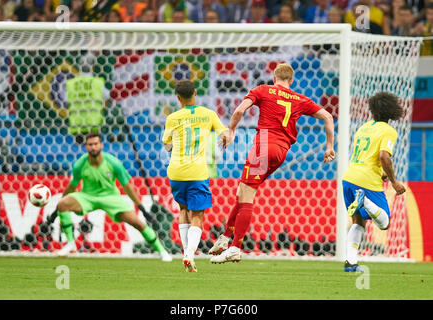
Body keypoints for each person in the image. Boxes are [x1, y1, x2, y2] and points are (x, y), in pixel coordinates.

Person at [209, 63, 335, 263]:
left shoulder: (263, 90)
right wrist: (329, 146)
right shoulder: (300, 99)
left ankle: (235, 247)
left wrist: (231, 131)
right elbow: (328, 116)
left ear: (274, 78)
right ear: (291, 81)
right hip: (282, 151)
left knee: (247, 195)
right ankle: (225, 237)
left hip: (264, 145)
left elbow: (240, 111)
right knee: (242, 192)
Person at [52, 132, 172, 261]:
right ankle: (70, 244)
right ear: (86, 146)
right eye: (90, 144)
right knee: (63, 204)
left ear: (101, 145)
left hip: (111, 198)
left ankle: (162, 251)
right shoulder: (80, 164)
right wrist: (57, 208)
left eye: (95, 144)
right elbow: (72, 186)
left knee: (137, 223)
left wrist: (141, 208)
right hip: (87, 196)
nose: (93, 147)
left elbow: (127, 186)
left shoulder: (113, 162)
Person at [162, 80, 229, 272]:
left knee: (183, 210)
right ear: (195, 93)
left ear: (178, 98)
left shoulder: (172, 118)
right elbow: (224, 133)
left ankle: (185, 252)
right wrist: (225, 139)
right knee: (197, 216)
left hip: (175, 172)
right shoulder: (208, 114)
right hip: (197, 172)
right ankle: (190, 253)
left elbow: (167, 145)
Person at [342, 92, 405, 272]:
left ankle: (351, 263)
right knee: (384, 223)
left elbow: (367, 156)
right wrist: (394, 181)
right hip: (366, 181)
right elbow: (384, 156)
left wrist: (382, 173)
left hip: (349, 177)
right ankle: (365, 200)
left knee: (358, 221)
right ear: (393, 110)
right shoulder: (389, 131)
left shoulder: (364, 127)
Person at [65, 54, 108, 143]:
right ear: (92, 67)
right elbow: (106, 100)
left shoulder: (71, 83)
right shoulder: (98, 82)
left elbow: (66, 103)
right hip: (94, 124)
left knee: (79, 153)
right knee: (93, 149)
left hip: (77, 125)